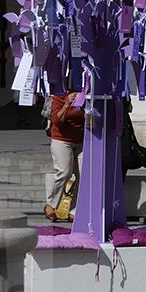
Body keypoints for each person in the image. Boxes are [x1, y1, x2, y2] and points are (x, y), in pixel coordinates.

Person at [45, 91, 85, 222]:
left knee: (84, 175)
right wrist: (67, 104)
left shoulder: (87, 95)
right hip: (61, 139)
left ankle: (75, 210)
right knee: (64, 172)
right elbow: (56, 121)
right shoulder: (59, 95)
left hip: (82, 140)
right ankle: (51, 204)